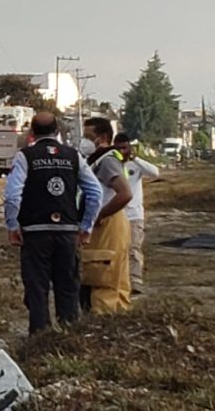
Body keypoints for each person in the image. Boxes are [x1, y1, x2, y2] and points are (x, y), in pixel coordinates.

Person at [3, 113, 103, 334]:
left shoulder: (24, 157)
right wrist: (86, 226)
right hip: (68, 233)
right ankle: (69, 340)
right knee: (67, 288)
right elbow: (95, 193)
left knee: (37, 290)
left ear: (31, 132)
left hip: (35, 233)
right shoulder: (74, 156)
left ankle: (39, 339)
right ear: (58, 131)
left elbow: (12, 196)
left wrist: (13, 225)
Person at [80, 117, 133, 314]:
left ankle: (103, 320)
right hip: (109, 222)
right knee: (113, 278)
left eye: (88, 137)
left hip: (107, 224)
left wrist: (99, 215)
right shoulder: (97, 160)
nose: (84, 141)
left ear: (102, 137)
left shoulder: (107, 161)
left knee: (102, 275)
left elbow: (125, 193)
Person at [113, 133, 160, 294]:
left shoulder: (136, 165)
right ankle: (120, 279)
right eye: (118, 148)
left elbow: (155, 173)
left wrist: (135, 159)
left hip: (134, 214)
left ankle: (135, 280)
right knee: (118, 249)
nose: (122, 151)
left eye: (124, 147)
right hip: (116, 214)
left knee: (134, 248)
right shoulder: (111, 164)